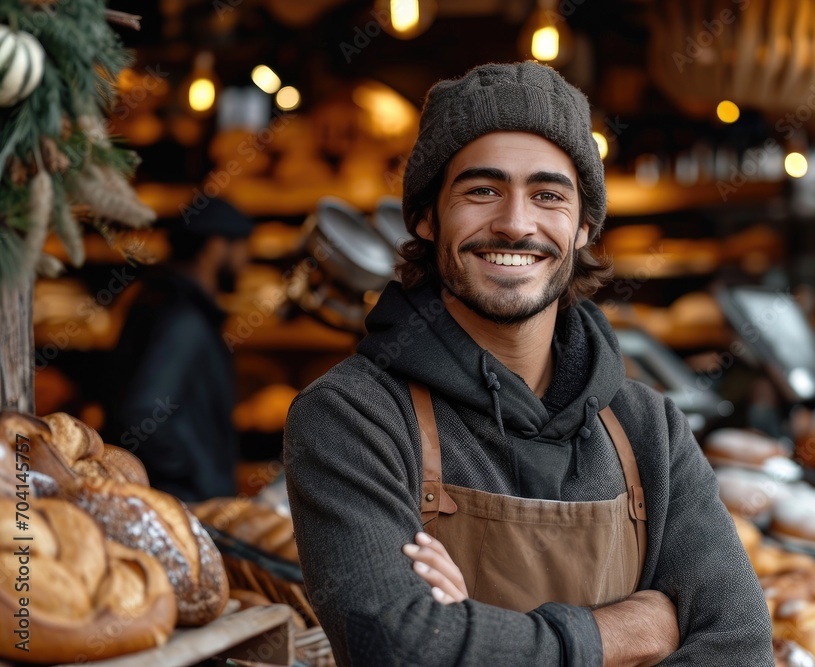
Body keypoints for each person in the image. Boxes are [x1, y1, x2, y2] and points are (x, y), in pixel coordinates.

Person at [284, 61, 772, 666]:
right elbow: (400, 648)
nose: (516, 224)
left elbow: (742, 642)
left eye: (548, 195)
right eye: (482, 190)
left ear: (584, 227)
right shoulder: (352, 418)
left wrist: (473, 634)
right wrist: (628, 635)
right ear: (426, 217)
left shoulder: (650, 428)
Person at [103, 196, 252, 502]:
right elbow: (142, 411)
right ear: (215, 247)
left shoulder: (156, 300)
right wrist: (197, 477)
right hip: (183, 503)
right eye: (242, 246)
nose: (246, 260)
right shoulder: (184, 320)